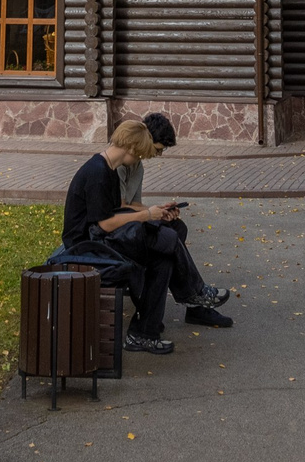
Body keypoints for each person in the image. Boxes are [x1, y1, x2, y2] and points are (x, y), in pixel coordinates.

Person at [60, 120, 231, 354]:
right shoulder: (98, 172)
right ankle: (195, 293)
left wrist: (154, 212)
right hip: (87, 247)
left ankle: (143, 334)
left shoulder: (106, 168)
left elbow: (115, 211)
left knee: (163, 255)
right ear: (130, 147)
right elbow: (106, 223)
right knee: (167, 240)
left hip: (99, 239)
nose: (141, 158)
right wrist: (147, 215)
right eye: (140, 153)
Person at [120, 112, 232, 329]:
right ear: (145, 139)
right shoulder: (119, 164)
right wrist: (151, 213)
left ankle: (193, 302)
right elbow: (118, 209)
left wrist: (160, 210)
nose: (158, 155)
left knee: (176, 227)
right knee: (168, 240)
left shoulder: (137, 166)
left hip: (129, 225)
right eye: (158, 149)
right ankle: (194, 298)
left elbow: (134, 205)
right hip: (116, 232)